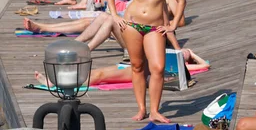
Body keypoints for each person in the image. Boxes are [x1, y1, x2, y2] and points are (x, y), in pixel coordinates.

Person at [106, 0, 186, 123]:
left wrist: (173, 24)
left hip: (155, 28)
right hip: (132, 25)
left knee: (158, 67)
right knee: (137, 65)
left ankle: (155, 111)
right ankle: (142, 108)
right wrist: (114, 16)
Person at [33, 47, 210, 88]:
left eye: (186, 54)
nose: (183, 52)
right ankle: (63, 80)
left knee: (100, 76)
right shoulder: (170, 52)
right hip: (135, 66)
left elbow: (205, 66)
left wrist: (192, 54)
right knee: (97, 73)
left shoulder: (182, 64)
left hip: (139, 73)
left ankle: (57, 84)